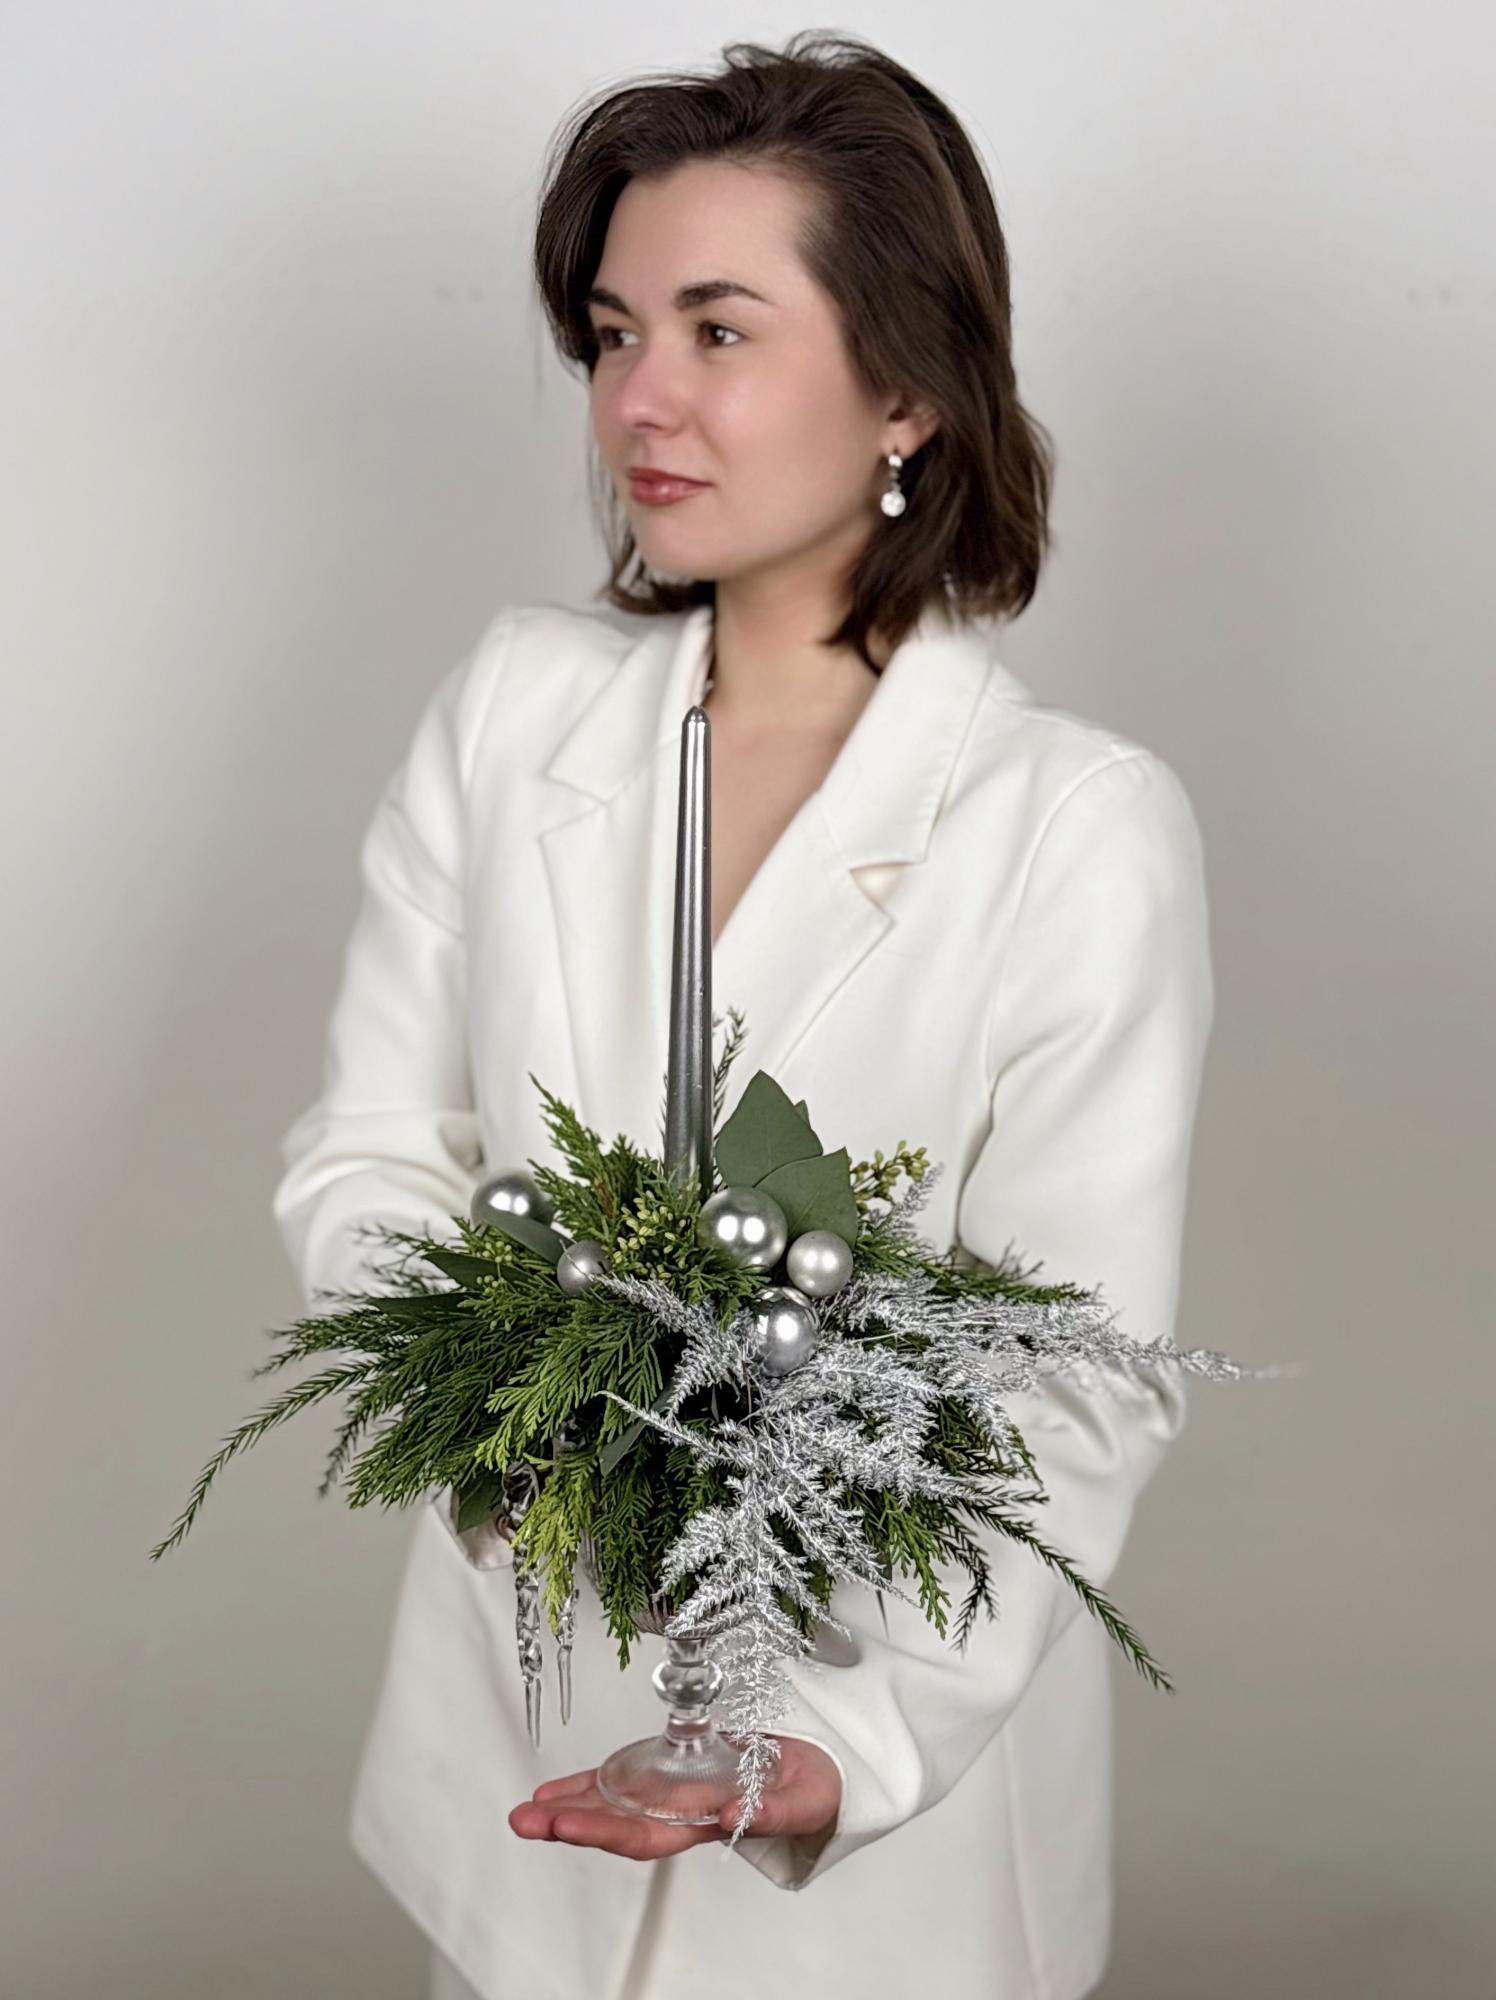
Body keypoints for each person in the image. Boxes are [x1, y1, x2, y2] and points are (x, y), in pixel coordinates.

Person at [272, 30, 1215, 2000]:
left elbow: (1078, 1370)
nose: (641, 399)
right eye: (615, 335)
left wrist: (841, 1736)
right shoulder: (515, 713)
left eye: (719, 330)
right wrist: (525, 1418)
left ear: (906, 386)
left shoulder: (1071, 828)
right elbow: (372, 1152)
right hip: (520, 1766)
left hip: (883, 1837)